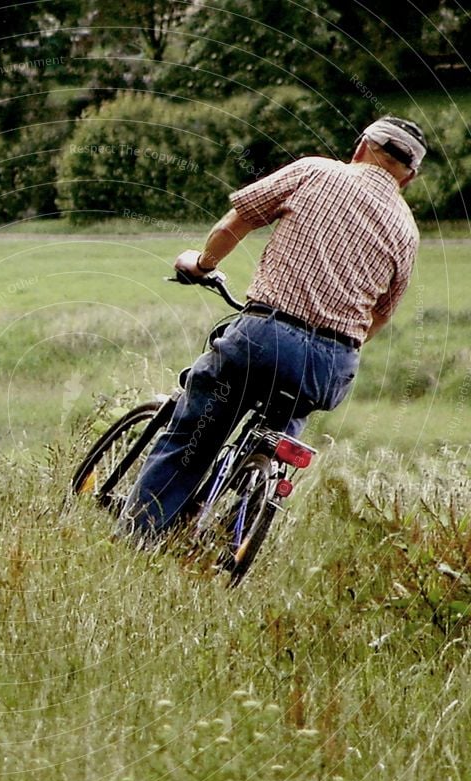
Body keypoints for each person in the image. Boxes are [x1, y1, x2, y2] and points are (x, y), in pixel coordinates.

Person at [122, 115, 427, 537]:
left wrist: (203, 264)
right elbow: (381, 313)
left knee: (193, 439)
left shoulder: (316, 171)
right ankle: (240, 519)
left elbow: (238, 220)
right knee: (285, 423)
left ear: (360, 148)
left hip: (266, 336)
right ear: (408, 177)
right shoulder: (407, 231)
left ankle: (137, 538)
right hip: (332, 364)